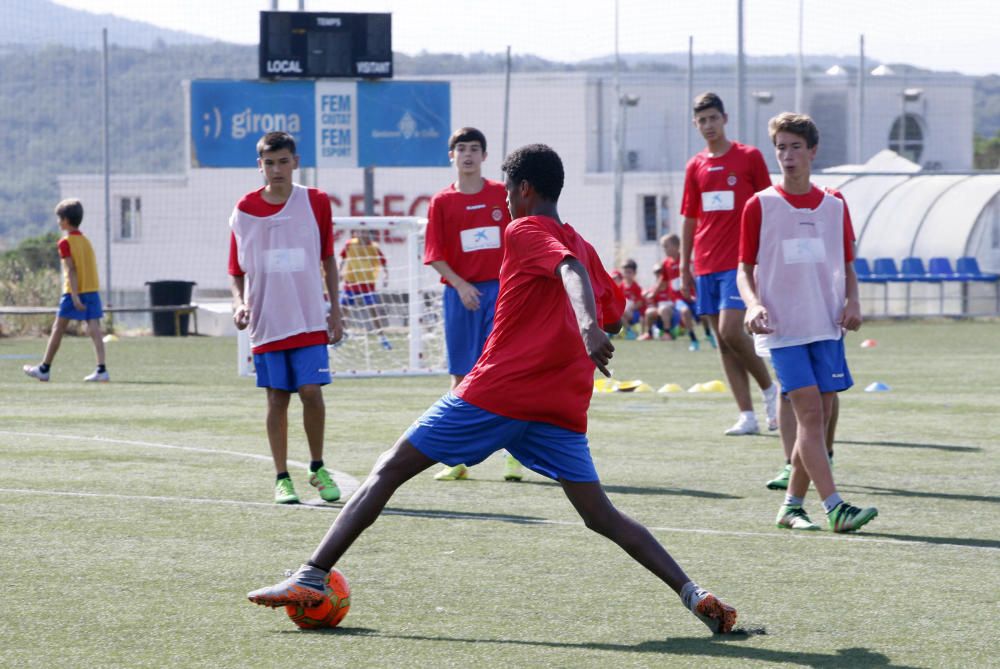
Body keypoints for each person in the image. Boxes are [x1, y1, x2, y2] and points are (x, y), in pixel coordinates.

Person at [247, 144, 738, 635]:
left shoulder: (525, 229)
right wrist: (588, 320)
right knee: (600, 514)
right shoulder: (581, 243)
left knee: (389, 468)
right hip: (557, 406)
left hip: (499, 391)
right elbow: (614, 306)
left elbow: (570, 275)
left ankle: (312, 575)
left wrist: (586, 325)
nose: (503, 199)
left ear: (523, 189)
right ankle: (693, 592)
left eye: (506, 188)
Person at [737, 112, 877, 533]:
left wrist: (853, 301)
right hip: (784, 329)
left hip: (828, 326)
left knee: (822, 415)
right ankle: (835, 507)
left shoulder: (834, 204)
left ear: (813, 151)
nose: (787, 155)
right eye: (780, 147)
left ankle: (791, 506)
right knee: (811, 415)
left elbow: (848, 263)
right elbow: (743, 269)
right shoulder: (759, 204)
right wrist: (752, 304)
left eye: (795, 146)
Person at [228, 131, 345, 505]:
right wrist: (238, 303)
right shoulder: (244, 210)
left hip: (309, 317)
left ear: (295, 162)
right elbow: (235, 269)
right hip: (267, 320)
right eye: (269, 162)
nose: (276, 169)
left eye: (283, 161)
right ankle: (282, 477)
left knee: (311, 393)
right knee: (277, 399)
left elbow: (328, 257)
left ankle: (316, 466)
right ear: (259, 165)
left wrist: (336, 310)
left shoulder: (316, 201)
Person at [423, 127, 521, 482]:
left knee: (505, 373)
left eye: (474, 148)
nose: (467, 154)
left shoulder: (501, 194)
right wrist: (461, 285)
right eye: (461, 148)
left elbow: (521, 236)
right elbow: (434, 254)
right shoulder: (441, 202)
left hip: (500, 293)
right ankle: (457, 458)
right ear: (452, 156)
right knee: (461, 376)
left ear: (484, 156)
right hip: (460, 296)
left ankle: (515, 456)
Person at [679, 92, 778, 435]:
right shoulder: (696, 166)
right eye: (702, 120)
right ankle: (746, 415)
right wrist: (683, 265)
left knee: (731, 330)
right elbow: (690, 218)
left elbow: (770, 204)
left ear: (725, 118)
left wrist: (767, 251)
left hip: (739, 263)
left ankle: (770, 391)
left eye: (713, 118)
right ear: (696, 124)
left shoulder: (748, 157)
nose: (708, 125)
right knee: (722, 343)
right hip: (704, 262)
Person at [23, 199, 109, 383]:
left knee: (58, 328)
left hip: (73, 292)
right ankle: (101, 369)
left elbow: (71, 269)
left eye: (59, 218)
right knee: (94, 328)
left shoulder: (65, 242)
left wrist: (75, 295)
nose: (57, 222)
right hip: (92, 289)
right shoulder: (86, 241)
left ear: (66, 220)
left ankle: (44, 368)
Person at [338, 228, 391, 350]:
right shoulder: (350, 244)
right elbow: (342, 258)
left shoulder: (374, 247)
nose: (363, 234)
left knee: (373, 310)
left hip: (368, 284)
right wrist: (340, 272)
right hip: (351, 282)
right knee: (343, 309)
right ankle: (341, 335)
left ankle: (382, 337)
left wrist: (386, 276)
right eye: (360, 232)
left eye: (365, 232)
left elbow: (384, 263)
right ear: (356, 233)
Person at [657, 234, 702, 351]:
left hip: (692, 297)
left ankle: (709, 334)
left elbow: (694, 278)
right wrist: (654, 292)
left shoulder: (686, 261)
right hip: (678, 299)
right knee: (685, 311)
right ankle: (694, 340)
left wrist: (697, 295)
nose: (664, 249)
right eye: (663, 247)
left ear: (677, 246)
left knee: (706, 315)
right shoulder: (666, 264)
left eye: (666, 246)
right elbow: (663, 280)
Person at [618, 259, 647, 338]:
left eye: (629, 272)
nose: (627, 275)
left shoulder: (636, 287)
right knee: (617, 313)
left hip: (635, 313)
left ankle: (630, 332)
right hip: (625, 313)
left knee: (620, 313)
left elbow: (640, 302)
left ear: (634, 273)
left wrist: (631, 308)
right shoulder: (620, 287)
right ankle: (628, 331)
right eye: (625, 272)